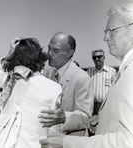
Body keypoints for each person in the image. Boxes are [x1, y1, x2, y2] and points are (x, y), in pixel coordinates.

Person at [40, 3, 133, 147]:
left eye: (111, 30)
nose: (105, 38)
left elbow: (127, 142)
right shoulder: (48, 74)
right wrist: (103, 120)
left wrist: (65, 140)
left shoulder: (128, 73)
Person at [0, 38, 62, 148]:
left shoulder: (8, 81)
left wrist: (8, 54)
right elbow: (54, 129)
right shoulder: (54, 88)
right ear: (40, 59)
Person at [39, 32, 94, 136]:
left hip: (70, 140)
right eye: (49, 48)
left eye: (55, 50)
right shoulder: (48, 74)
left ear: (69, 53)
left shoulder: (82, 78)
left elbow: (85, 118)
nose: (49, 53)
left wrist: (64, 118)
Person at [87, 49, 116, 136]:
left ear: (104, 58)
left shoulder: (112, 71)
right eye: (94, 57)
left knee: (105, 130)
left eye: (99, 57)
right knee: (92, 130)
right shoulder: (89, 72)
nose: (97, 59)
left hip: (106, 106)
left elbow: (115, 90)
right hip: (92, 107)